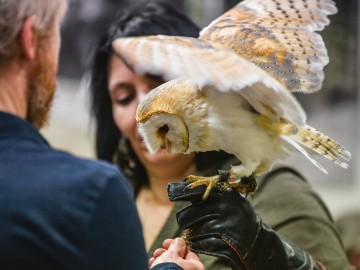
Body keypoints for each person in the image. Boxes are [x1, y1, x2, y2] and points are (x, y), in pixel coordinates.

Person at [88, 0, 353, 269]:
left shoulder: (276, 193)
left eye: (161, 87)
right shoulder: (104, 202)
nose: (143, 107)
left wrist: (273, 255)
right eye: (123, 97)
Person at [0, 1, 201, 269]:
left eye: (162, 87)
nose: (146, 112)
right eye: (124, 97)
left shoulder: (259, 192)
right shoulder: (92, 196)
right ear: (30, 39)